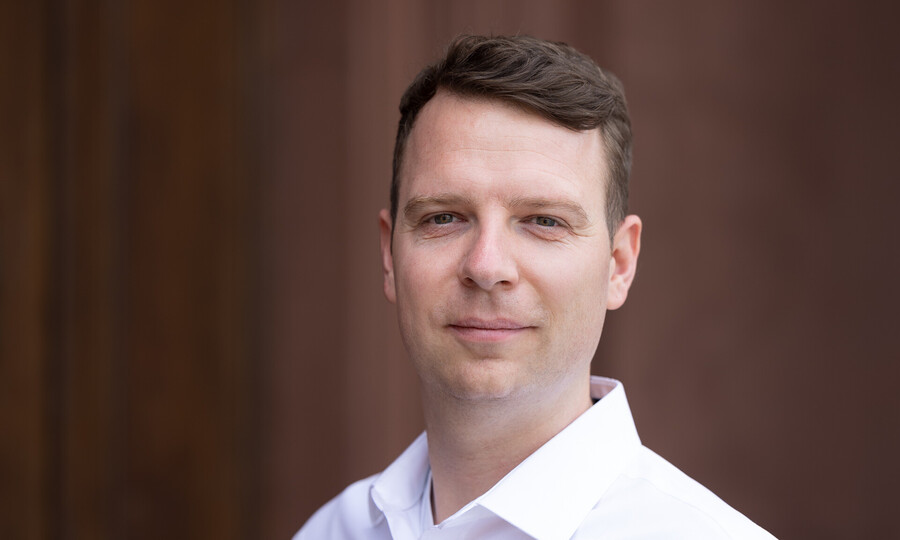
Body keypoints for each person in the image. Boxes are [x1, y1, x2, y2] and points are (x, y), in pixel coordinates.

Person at [295, 34, 775, 539]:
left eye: (544, 221)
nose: (486, 266)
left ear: (619, 264)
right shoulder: (334, 530)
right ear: (389, 256)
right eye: (444, 217)